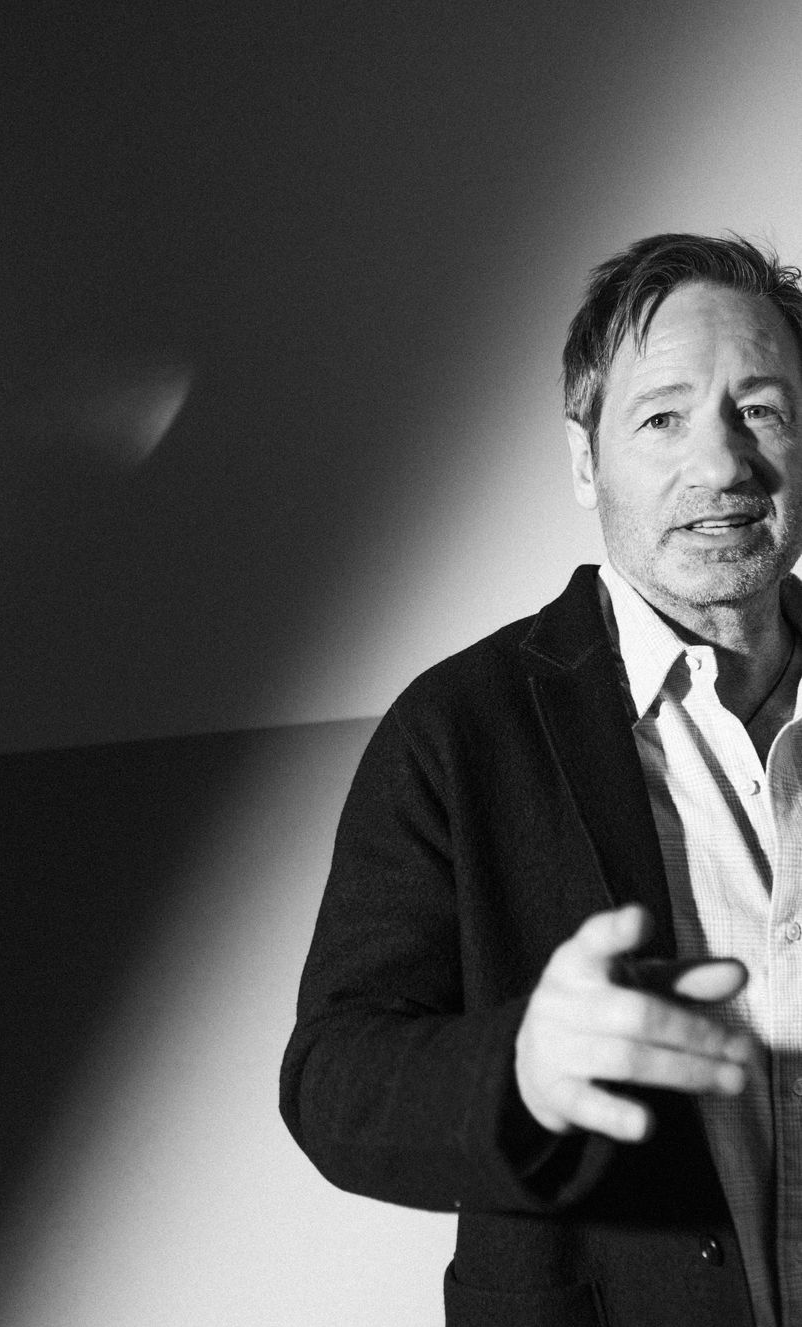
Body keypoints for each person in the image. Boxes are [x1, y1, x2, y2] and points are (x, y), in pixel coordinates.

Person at [280, 233, 802, 1327]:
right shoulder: (455, 729)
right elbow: (332, 1080)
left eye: (760, 410)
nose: (721, 465)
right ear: (584, 461)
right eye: (661, 419)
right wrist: (517, 1067)